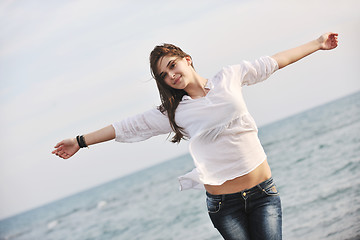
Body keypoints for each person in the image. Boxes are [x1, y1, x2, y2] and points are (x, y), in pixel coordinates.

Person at [52, 32, 338, 240]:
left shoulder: (230, 76)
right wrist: (79, 141)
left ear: (187, 60)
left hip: (263, 192)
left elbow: (274, 62)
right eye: (164, 75)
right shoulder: (172, 112)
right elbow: (126, 127)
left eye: (173, 65)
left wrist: (317, 43)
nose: (171, 75)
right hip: (225, 206)